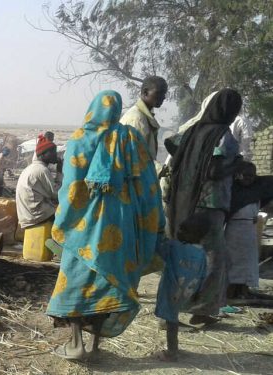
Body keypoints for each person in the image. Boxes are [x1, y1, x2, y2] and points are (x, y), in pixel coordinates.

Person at [46, 90, 164, 360]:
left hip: (85, 227)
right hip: (122, 225)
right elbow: (149, 186)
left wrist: (63, 222)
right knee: (109, 282)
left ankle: (76, 345)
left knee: (76, 280)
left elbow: (72, 188)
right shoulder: (131, 139)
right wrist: (155, 223)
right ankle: (96, 346)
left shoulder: (79, 140)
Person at [165, 88, 245, 325]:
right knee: (214, 260)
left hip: (183, 202)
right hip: (209, 206)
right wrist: (238, 167)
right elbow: (214, 170)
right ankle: (201, 311)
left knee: (181, 256)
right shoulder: (224, 136)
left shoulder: (192, 131)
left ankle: (170, 307)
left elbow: (172, 144)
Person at [155, 214, 209, 362]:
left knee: (171, 321)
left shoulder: (175, 247)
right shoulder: (202, 254)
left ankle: (172, 352)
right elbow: (203, 275)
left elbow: (159, 249)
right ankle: (174, 348)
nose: (179, 232)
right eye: (180, 228)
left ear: (197, 235)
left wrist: (156, 232)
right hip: (187, 292)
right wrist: (198, 294)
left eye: (184, 230)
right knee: (173, 316)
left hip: (172, 289)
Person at [226, 162, 273, 299]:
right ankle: (231, 292)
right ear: (237, 175)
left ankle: (243, 290)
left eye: (252, 176)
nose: (249, 179)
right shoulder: (232, 190)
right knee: (234, 263)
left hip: (250, 230)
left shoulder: (256, 189)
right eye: (245, 175)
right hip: (234, 231)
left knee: (248, 262)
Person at [120, 76, 168, 160]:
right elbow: (136, 158)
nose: (164, 97)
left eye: (164, 93)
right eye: (160, 93)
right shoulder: (137, 119)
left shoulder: (145, 116)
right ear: (145, 92)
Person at [15, 136, 58, 229]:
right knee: (68, 214)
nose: (55, 154)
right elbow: (57, 194)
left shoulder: (30, 168)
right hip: (37, 215)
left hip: (26, 215)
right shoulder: (42, 170)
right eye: (53, 152)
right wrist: (60, 172)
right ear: (43, 154)